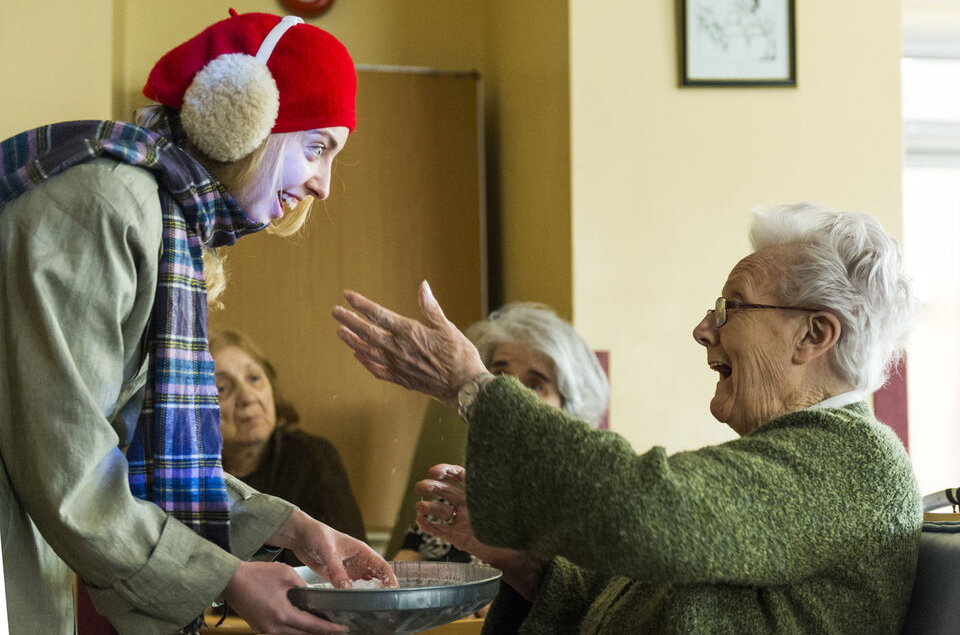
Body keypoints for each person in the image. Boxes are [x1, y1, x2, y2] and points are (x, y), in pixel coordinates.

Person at [332, 202, 924, 634]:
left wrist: (473, 386)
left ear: (814, 334)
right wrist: (525, 563)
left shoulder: (856, 464)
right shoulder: (805, 456)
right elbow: (640, 597)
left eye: (732, 307)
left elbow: (650, 510)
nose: (703, 330)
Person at [0, 10, 395, 635]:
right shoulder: (108, 205)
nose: (322, 185)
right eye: (317, 147)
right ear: (240, 118)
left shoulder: (155, 213)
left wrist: (288, 526)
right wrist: (227, 577)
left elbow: (129, 445)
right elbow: (67, 462)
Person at [390, 303, 608, 565]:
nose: (510, 392)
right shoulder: (458, 490)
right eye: (499, 375)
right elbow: (401, 571)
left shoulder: (578, 508)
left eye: (536, 385)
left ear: (569, 408)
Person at [210, 329, 367, 566]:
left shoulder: (312, 456)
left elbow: (349, 565)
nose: (248, 397)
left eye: (254, 378)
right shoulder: (184, 476)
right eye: (222, 388)